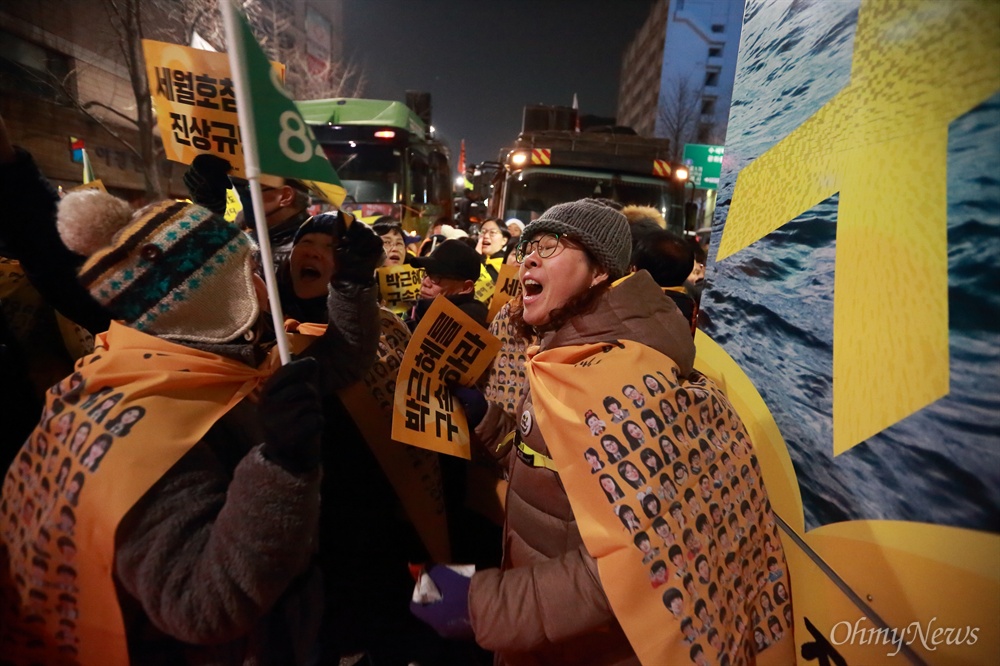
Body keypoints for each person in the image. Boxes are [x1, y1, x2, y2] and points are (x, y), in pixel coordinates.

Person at [0, 187, 381, 664]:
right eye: (250, 272)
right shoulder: (151, 432)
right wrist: (282, 466)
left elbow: (341, 362)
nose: (267, 282)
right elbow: (203, 605)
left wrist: (353, 284)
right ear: (218, 300)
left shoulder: (213, 361)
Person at [411, 198, 793, 664]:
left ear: (599, 273)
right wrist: (489, 421)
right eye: (530, 243)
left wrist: (483, 605)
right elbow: (558, 473)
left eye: (551, 245)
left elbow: (642, 563)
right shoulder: (562, 354)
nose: (527, 255)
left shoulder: (622, 378)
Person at [406, 239, 488, 330]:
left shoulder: (464, 325)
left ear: (466, 287)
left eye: (436, 278)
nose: (425, 282)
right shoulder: (419, 312)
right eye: (426, 274)